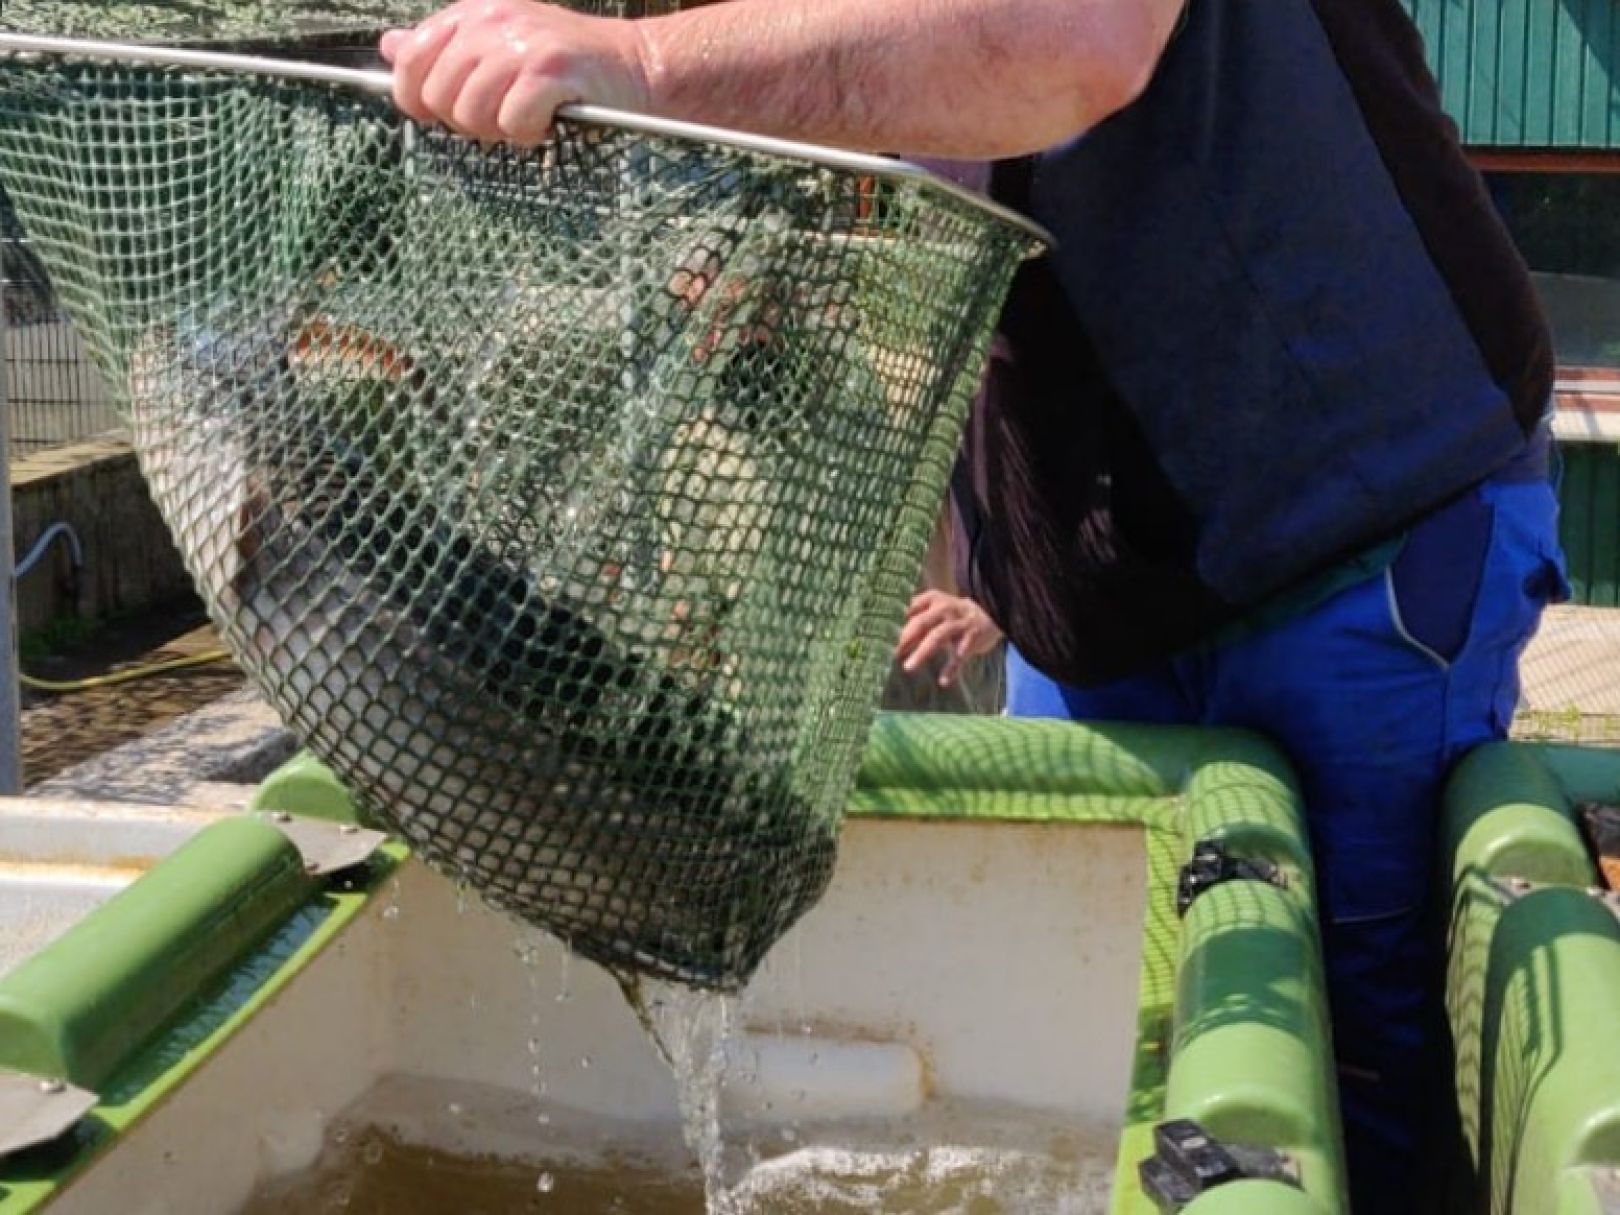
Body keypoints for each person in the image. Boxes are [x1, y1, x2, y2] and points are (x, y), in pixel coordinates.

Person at [379, 3, 1566, 1209]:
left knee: (1358, 1048)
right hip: (1102, 583)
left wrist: (641, 65)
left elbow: (1075, 46)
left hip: (1364, 519)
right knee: (1095, 1026)